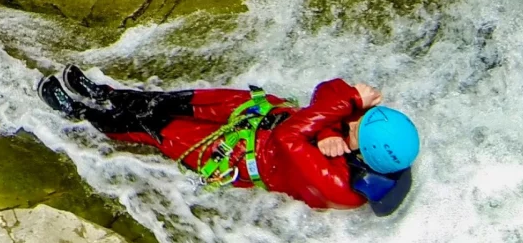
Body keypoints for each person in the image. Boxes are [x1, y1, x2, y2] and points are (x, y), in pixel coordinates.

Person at [36, 66, 420, 216]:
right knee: (177, 101)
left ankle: (83, 113)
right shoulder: (362, 139)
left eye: (357, 124)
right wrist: (337, 120)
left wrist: (344, 107)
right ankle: (107, 93)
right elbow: (325, 91)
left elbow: (289, 139)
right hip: (262, 114)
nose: (354, 119)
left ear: (362, 150)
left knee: (155, 127)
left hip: (241, 155)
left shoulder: (338, 187)